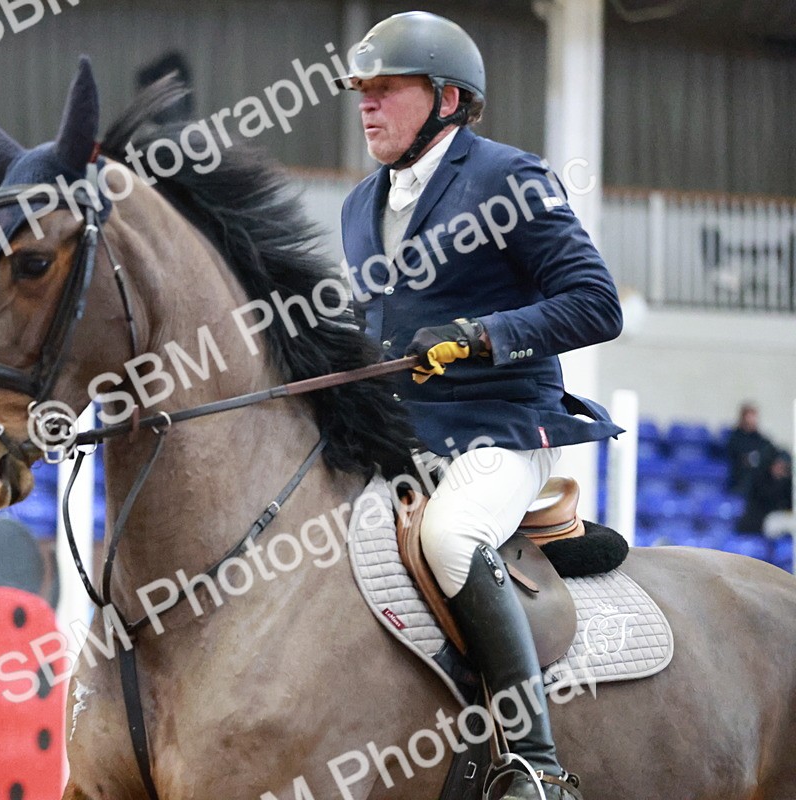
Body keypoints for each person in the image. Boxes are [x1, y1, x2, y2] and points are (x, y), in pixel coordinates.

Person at [338, 12, 623, 800]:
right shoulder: (360, 206)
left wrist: (482, 336)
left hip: (501, 430)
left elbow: (597, 304)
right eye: (362, 91)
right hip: (403, 437)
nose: (366, 106)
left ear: (448, 98)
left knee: (452, 535)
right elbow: (378, 329)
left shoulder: (509, 177)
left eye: (386, 90)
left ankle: (534, 761)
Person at [736, 449, 792, 534]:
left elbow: (788, 504)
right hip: (758, 520)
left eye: (784, 467)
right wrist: (780, 482)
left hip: (779, 519)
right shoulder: (760, 479)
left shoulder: (788, 483)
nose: (780, 468)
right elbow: (765, 498)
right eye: (778, 464)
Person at [726, 402, 776, 496]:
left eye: (754, 417)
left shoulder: (761, 439)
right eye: (749, 416)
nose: (752, 420)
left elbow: (771, 451)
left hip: (761, 479)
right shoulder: (735, 438)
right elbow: (738, 457)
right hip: (742, 479)